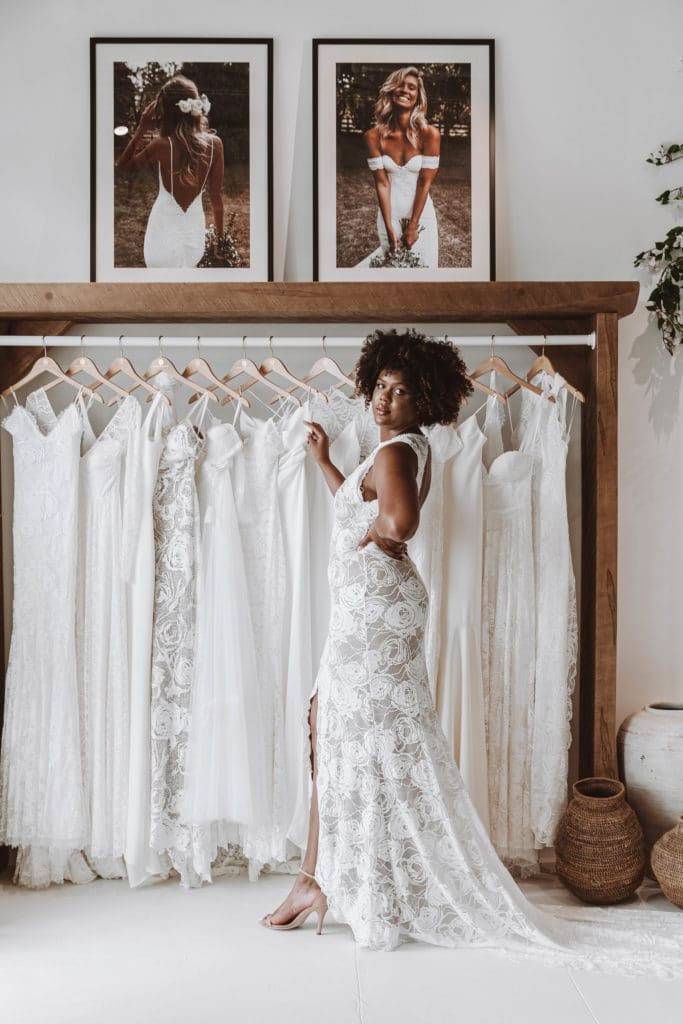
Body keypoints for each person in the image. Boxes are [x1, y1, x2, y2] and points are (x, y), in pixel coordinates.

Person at [260, 330, 683, 978]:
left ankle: (334, 881)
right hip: (371, 611)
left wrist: (378, 534)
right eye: (379, 387)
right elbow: (369, 507)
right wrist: (325, 465)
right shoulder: (402, 449)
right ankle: (318, 877)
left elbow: (397, 522)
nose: (384, 401)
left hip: (373, 615)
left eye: (400, 393)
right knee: (334, 728)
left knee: (351, 738)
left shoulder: (399, 452)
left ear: (421, 399)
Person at [116, 74, 225, 268]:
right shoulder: (215, 144)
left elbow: (123, 167)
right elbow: (216, 199)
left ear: (168, 112)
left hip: (161, 240)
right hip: (194, 243)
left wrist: (142, 127)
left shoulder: (161, 145)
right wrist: (219, 241)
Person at [357, 67, 440, 268]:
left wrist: (413, 226)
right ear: (391, 91)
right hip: (389, 215)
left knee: (424, 272)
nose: (405, 90)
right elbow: (382, 184)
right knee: (391, 274)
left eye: (411, 87)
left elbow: (424, 181)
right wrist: (389, 226)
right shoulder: (373, 137)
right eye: (400, 85)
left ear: (417, 97)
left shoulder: (430, 135)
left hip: (421, 217)